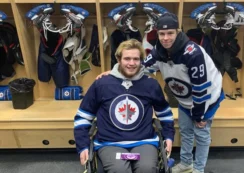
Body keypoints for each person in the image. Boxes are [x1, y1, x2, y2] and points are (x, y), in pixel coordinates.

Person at [97, 13, 224, 173]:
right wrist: (114, 72)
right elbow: (140, 66)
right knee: (185, 131)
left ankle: (199, 169)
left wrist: (200, 115)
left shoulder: (193, 53)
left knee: (201, 132)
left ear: (178, 32)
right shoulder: (159, 50)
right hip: (186, 99)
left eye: (170, 33)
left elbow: (200, 89)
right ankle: (186, 163)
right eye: (161, 34)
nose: (165, 38)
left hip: (207, 99)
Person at [74, 39, 175, 173]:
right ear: (118, 59)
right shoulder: (102, 84)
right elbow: (83, 118)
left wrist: (168, 136)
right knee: (120, 170)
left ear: (141, 61)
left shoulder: (151, 84)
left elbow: (165, 114)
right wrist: (83, 146)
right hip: (110, 143)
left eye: (136, 59)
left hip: (144, 141)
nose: (132, 63)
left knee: (147, 169)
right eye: (127, 59)